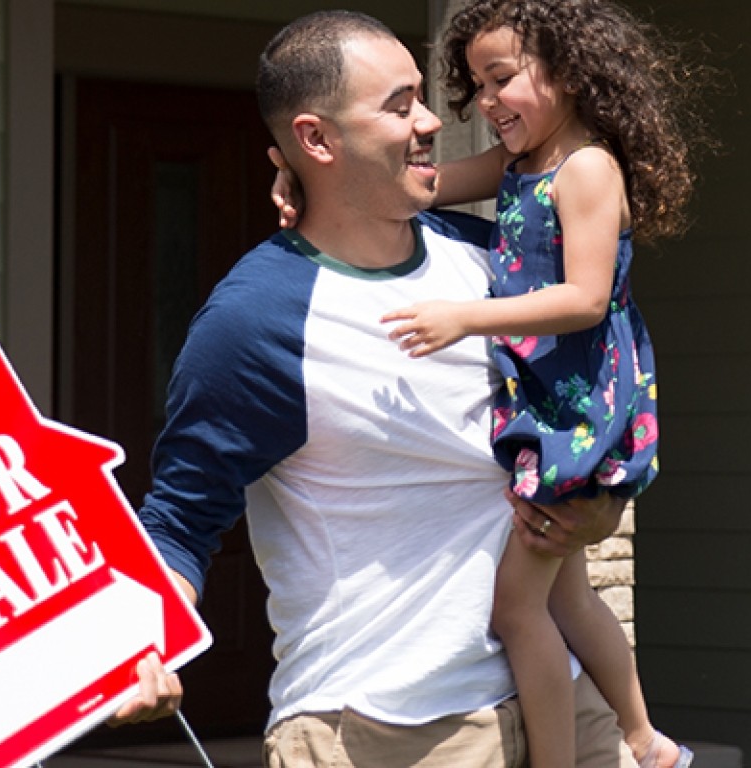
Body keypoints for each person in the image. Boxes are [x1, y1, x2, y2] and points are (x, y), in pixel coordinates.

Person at [110, 9, 641, 768]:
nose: (431, 121)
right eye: (398, 105)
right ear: (317, 140)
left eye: (421, 96)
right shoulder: (255, 323)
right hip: (382, 732)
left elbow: (600, 380)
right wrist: (140, 643)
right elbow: (176, 522)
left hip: (563, 704)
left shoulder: (492, 260)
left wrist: (600, 505)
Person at [271, 2, 706, 766]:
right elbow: (420, 188)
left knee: (516, 610)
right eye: (477, 85)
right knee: (567, 596)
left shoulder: (588, 169)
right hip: (546, 402)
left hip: (576, 407)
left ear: (568, 74)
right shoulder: (518, 169)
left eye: (502, 78)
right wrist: (306, 183)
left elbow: (586, 299)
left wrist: (464, 318)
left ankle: (573, 754)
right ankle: (644, 737)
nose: (488, 103)